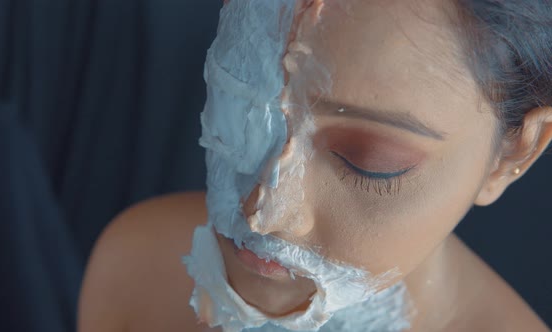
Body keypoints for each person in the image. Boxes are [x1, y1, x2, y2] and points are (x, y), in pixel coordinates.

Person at [78, 0, 552, 331]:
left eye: (369, 164)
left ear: (515, 152)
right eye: (240, 108)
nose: (265, 211)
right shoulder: (139, 268)